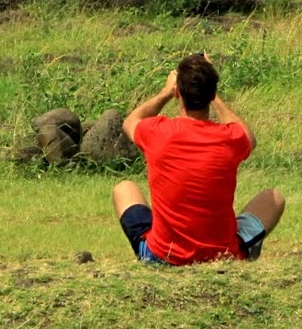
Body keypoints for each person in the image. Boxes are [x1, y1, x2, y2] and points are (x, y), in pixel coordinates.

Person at [110, 52, 285, 266]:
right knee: (274, 198)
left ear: (178, 93)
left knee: (124, 188)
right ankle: (244, 248)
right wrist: (215, 95)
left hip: (163, 256)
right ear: (211, 94)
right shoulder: (230, 138)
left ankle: (150, 253)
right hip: (222, 255)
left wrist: (164, 93)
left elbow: (130, 122)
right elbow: (249, 137)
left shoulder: (158, 132)